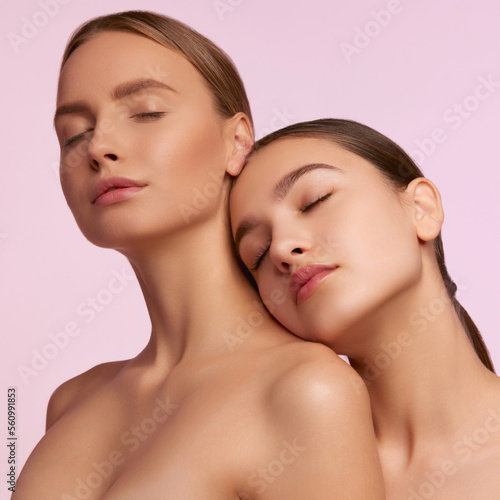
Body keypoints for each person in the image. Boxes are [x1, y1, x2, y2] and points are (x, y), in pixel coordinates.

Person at [13, 13, 386, 499]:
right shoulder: (70, 402)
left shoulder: (305, 391)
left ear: (237, 142)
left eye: (146, 111)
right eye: (74, 133)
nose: (99, 146)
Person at [230, 118, 500, 499]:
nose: (281, 248)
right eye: (256, 254)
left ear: (421, 208)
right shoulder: (276, 480)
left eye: (314, 201)